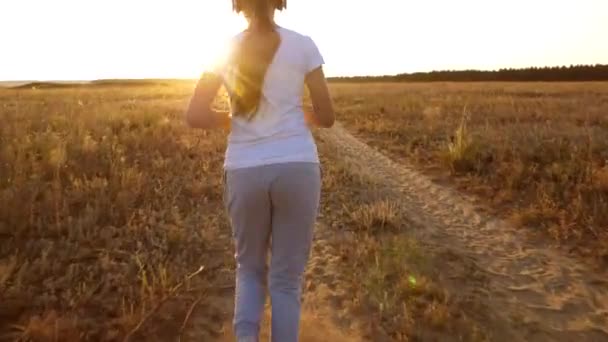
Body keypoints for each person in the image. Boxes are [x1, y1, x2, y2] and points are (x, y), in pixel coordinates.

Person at [184, 0, 335, 341]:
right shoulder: (303, 44)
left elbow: (194, 115)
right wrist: (295, 115)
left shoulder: (224, 50)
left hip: (244, 168)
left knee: (249, 271)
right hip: (297, 166)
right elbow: (327, 117)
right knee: (286, 280)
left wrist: (234, 120)